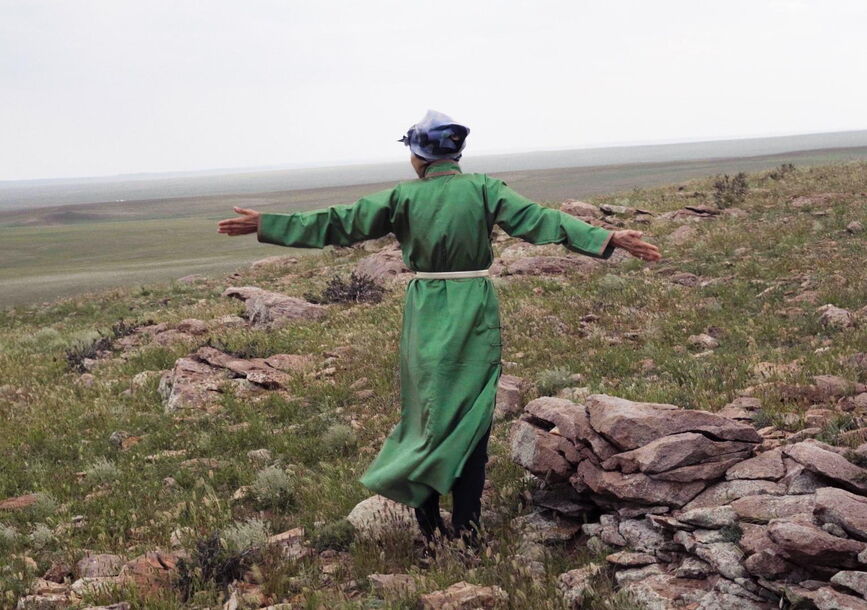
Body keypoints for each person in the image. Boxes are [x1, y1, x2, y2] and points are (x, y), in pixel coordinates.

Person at [217, 110, 661, 550]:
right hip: (473, 309)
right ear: (456, 153)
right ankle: (467, 533)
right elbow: (542, 220)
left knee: (426, 416)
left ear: (418, 156)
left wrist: (268, 224)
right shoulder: (485, 189)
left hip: (424, 310)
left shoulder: (402, 198)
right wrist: (606, 237)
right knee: (470, 416)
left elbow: (338, 222)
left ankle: (430, 531)